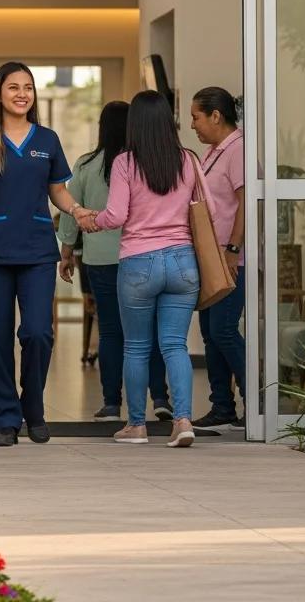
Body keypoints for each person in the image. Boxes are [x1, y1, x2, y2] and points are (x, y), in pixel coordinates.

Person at [0, 61, 89, 447]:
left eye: (28, 87)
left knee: (38, 333)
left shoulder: (47, 140)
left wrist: (76, 210)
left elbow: (57, 191)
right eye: (13, 87)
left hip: (36, 252)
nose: (21, 94)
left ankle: (33, 408)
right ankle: (6, 421)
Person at [85, 89, 214, 447]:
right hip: (182, 262)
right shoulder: (188, 160)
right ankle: (183, 421)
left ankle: (137, 426)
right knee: (174, 345)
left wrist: (90, 220)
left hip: (139, 262)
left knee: (137, 347)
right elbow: (208, 211)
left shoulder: (126, 162)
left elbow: (116, 216)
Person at [58, 101, 172, 422]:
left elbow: (71, 211)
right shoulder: (145, 164)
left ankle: (111, 404)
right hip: (141, 257)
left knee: (110, 331)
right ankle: (160, 398)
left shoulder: (85, 164)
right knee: (148, 330)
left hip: (100, 259)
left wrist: (66, 252)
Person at [189, 87, 246, 431]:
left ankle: (257, 400)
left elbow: (245, 203)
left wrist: (233, 250)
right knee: (210, 330)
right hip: (211, 255)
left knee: (223, 328)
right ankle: (222, 405)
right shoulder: (212, 152)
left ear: (216, 116)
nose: (193, 125)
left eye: (196, 117)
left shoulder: (238, 150)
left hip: (230, 256)